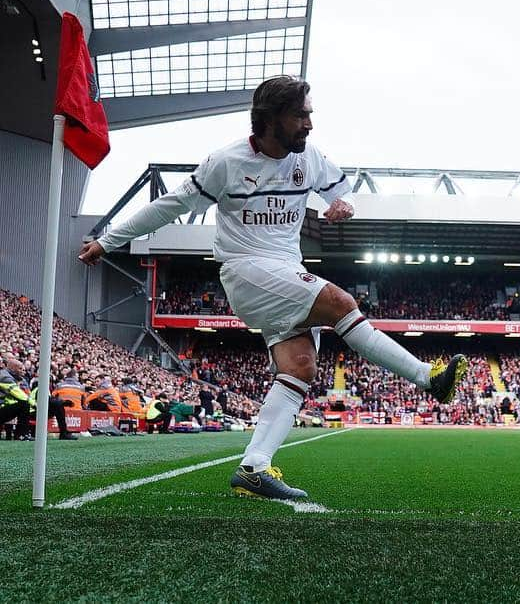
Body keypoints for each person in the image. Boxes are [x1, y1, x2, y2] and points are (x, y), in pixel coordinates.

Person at [78, 75, 466, 500]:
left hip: (285, 272)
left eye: (309, 115)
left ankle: (253, 468)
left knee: (300, 368)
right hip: (245, 270)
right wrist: (107, 240)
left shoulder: (309, 158)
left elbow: (343, 188)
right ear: (271, 118)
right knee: (341, 302)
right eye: (300, 115)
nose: (309, 125)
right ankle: (428, 378)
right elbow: (170, 206)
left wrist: (344, 204)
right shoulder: (226, 162)